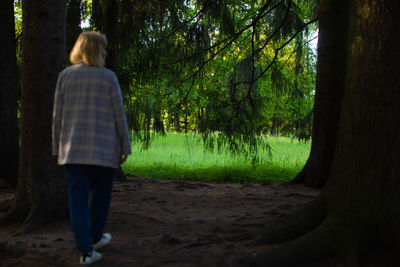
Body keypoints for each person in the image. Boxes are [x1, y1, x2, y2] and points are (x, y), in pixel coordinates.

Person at [52, 31, 131, 265]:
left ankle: (88, 247)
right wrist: (125, 146)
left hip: (73, 151)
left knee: (77, 200)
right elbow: (119, 115)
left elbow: (57, 117)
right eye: (103, 48)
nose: (106, 52)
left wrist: (57, 147)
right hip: (104, 151)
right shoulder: (108, 78)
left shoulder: (65, 76)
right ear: (96, 50)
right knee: (101, 197)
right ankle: (93, 241)